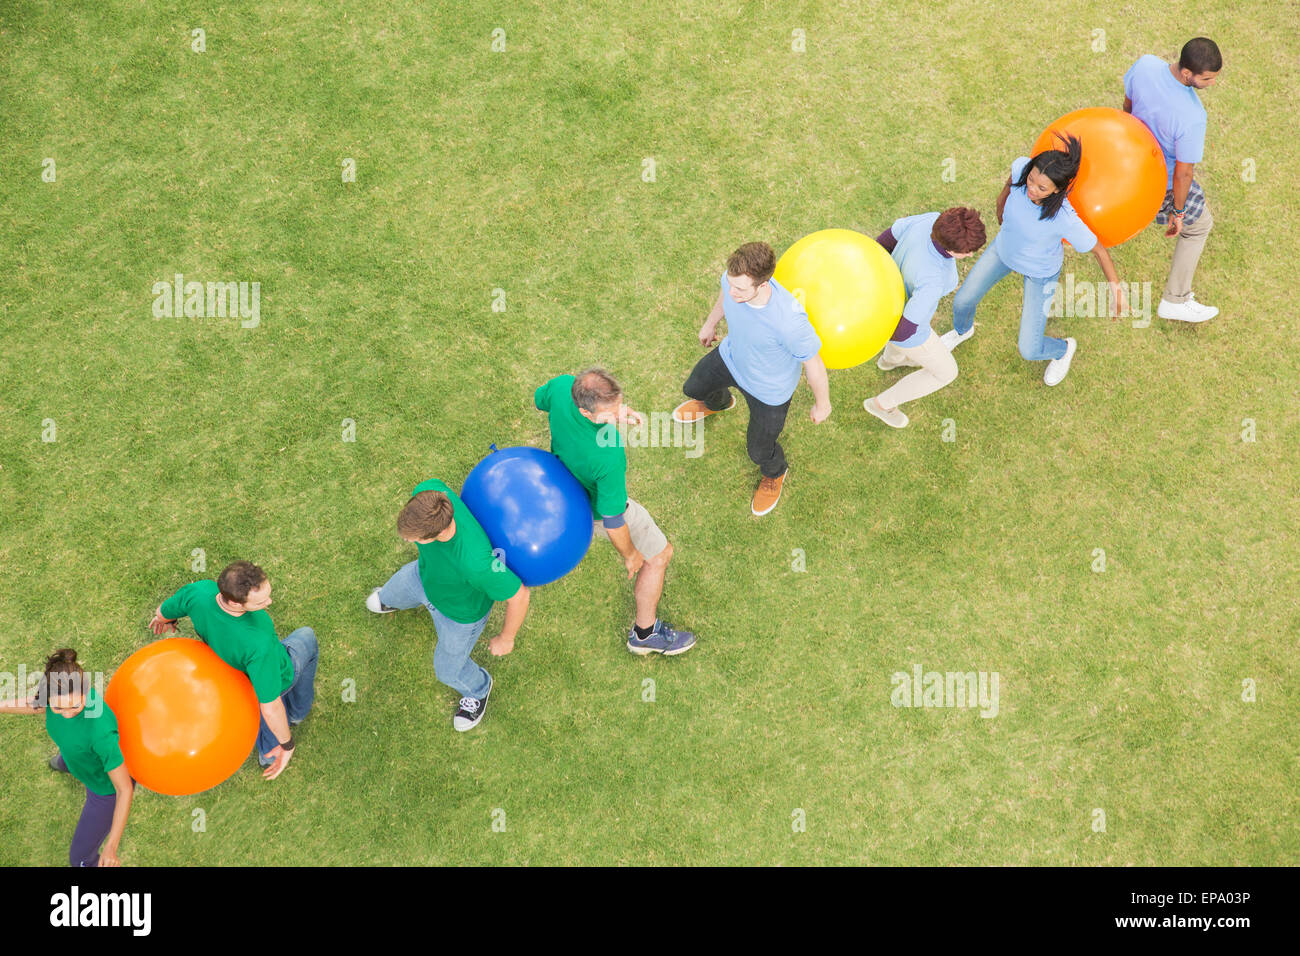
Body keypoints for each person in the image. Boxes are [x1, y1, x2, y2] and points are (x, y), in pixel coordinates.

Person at [536, 368, 697, 654]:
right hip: (591, 512)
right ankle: (645, 635)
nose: (615, 419)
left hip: (561, 490)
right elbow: (612, 520)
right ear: (586, 413)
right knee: (659, 556)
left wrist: (616, 411)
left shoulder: (563, 388)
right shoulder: (608, 454)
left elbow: (540, 399)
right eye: (609, 414)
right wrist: (631, 555)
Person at [947, 135, 1128, 386]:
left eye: (1041, 188)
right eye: (1031, 180)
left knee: (1029, 350)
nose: (1032, 188)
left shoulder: (1064, 217)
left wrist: (1116, 289)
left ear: (1057, 189)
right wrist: (1000, 206)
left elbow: (1099, 250)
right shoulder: (1022, 168)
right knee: (962, 301)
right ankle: (962, 330)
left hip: (1040, 273)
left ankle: (1063, 349)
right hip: (1003, 252)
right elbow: (1011, 184)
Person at [673, 241, 831, 515]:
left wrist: (823, 404)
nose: (732, 291)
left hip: (769, 391)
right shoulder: (732, 282)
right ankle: (719, 403)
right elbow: (725, 296)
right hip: (732, 359)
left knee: (758, 451)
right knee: (694, 387)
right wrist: (710, 324)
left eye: (740, 289)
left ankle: (775, 473)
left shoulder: (790, 322)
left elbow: (814, 363)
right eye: (731, 284)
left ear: (763, 284)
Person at [367, 479, 530, 731]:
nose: (408, 542)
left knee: (447, 670)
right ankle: (391, 601)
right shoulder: (428, 491)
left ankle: (479, 690)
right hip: (423, 578)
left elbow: (519, 595)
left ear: (439, 534)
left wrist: (507, 638)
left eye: (415, 539)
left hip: (459, 615)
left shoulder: (477, 564)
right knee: (390, 591)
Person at [149, 561, 318, 779]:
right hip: (276, 675)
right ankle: (296, 715)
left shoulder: (199, 591)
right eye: (261, 601)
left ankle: (268, 753)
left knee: (264, 698)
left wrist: (165, 619)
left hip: (233, 673)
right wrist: (288, 745)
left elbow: (163, 611)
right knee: (307, 637)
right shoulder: (258, 641)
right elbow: (270, 707)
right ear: (235, 603)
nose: (269, 602)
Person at [0, 649, 135, 866]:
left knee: (79, 859)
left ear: (86, 691)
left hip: (103, 788)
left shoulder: (100, 733)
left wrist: (111, 847)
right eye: (57, 707)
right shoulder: (55, 694)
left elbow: (124, 789)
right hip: (76, 755)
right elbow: (34, 705)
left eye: (75, 705)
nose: (67, 713)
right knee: (65, 759)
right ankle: (64, 764)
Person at [1123, 36, 1222, 323]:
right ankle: (1174, 300)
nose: (1211, 84)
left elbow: (1127, 104)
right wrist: (1178, 212)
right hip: (1156, 181)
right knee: (1199, 224)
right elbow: (1183, 173)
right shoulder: (1192, 115)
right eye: (1207, 79)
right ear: (1187, 74)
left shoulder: (1144, 64)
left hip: (1126, 158)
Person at [865, 208, 987, 428]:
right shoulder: (934, 279)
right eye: (968, 251)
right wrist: (886, 334)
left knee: (899, 342)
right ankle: (882, 405)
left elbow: (884, 241)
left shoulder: (931, 219)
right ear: (951, 249)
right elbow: (904, 330)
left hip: (886, 301)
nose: (970, 255)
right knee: (947, 372)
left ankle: (890, 361)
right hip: (905, 326)